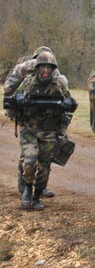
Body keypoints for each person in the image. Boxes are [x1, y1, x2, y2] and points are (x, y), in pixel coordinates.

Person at [14, 51, 76, 210]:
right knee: (29, 160)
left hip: (49, 131)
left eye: (49, 68)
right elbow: (13, 99)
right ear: (37, 68)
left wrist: (67, 104)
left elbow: (71, 101)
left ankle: (36, 196)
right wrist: (19, 99)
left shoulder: (59, 85)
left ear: (53, 69)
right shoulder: (27, 83)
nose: (45, 71)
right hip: (29, 129)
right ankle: (27, 189)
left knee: (44, 167)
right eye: (42, 68)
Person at [4, 46, 61, 199]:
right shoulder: (24, 69)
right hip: (26, 113)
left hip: (46, 120)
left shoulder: (54, 72)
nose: (45, 68)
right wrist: (21, 98)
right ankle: (24, 182)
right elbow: (8, 89)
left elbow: (60, 90)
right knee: (28, 154)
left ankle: (40, 186)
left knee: (44, 157)